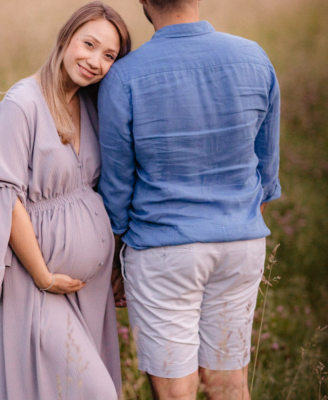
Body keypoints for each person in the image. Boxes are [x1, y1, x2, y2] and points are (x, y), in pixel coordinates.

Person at [98, 0, 281, 399]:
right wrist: (237, 228)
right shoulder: (254, 58)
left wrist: (114, 260)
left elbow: (116, 188)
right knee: (230, 386)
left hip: (163, 252)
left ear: (144, 2)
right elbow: (266, 172)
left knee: (176, 394)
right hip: (241, 244)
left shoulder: (124, 76)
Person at [0, 3, 131, 399]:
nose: (95, 61)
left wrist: (115, 262)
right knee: (95, 393)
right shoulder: (22, 105)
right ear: (66, 37)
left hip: (86, 288)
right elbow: (7, 198)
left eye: (109, 55)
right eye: (89, 44)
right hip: (36, 284)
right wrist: (44, 276)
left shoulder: (90, 105)